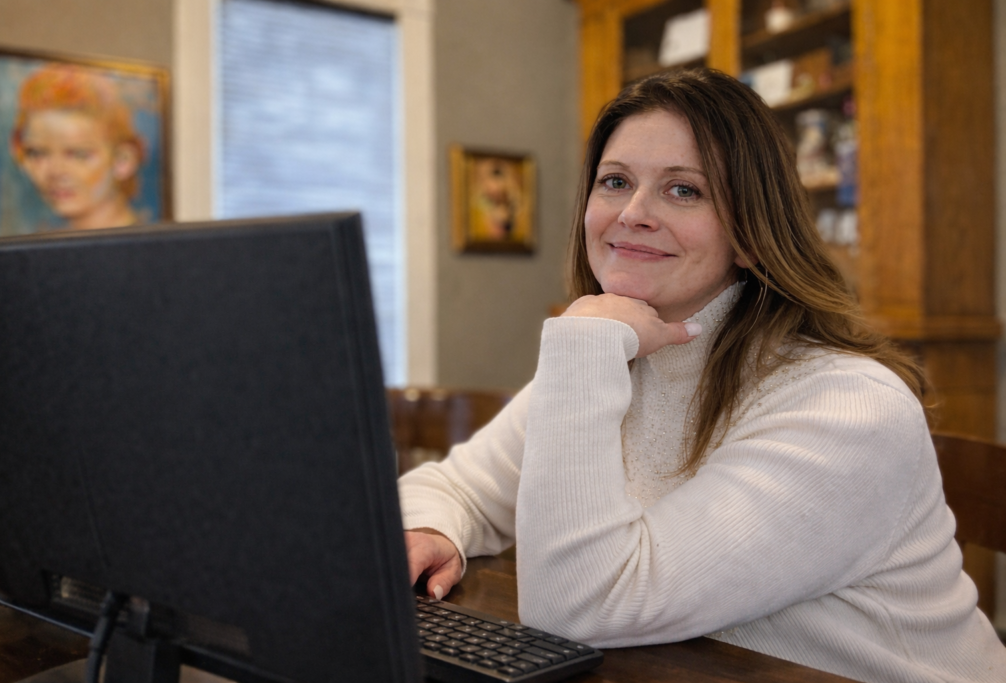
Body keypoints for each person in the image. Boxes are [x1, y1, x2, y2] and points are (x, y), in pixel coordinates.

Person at [398, 68, 1006, 682]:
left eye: (684, 190)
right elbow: (452, 487)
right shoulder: (618, 360)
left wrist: (582, 342)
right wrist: (432, 529)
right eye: (615, 182)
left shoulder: (850, 409)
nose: (633, 213)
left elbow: (579, 608)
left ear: (751, 235)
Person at [9, 65, 144, 230]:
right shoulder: (46, 240)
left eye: (79, 154)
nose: (55, 172)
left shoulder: (150, 245)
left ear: (122, 160)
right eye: (37, 153)